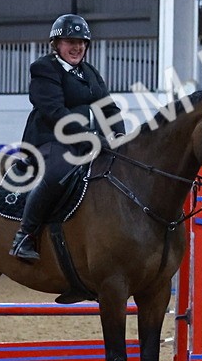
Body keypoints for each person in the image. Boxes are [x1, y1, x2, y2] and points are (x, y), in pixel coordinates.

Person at [8, 14, 125, 262]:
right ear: (56, 44)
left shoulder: (89, 72)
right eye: (71, 41)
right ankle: (25, 235)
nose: (77, 47)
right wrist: (90, 136)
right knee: (58, 173)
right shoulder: (44, 68)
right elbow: (55, 112)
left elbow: (109, 108)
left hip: (86, 141)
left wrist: (119, 136)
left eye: (81, 42)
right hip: (50, 139)